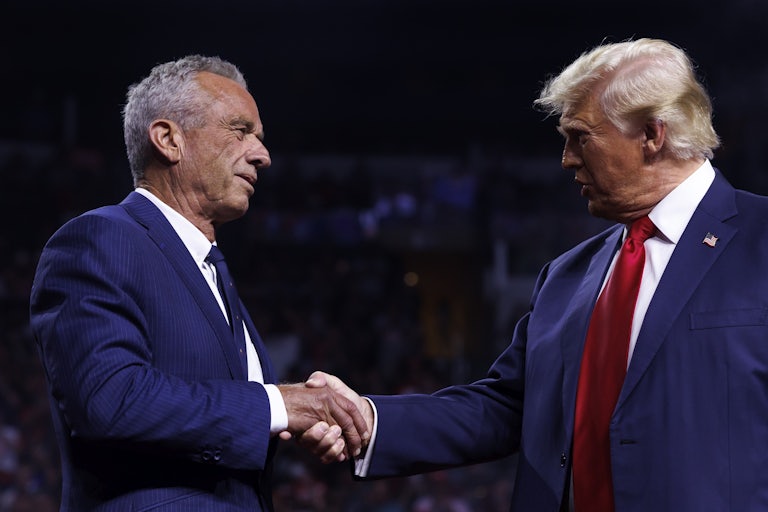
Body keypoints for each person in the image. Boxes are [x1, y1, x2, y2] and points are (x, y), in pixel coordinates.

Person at [302, 37, 768, 511]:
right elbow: (505, 407)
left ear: (652, 134)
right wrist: (368, 418)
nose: (566, 158)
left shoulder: (761, 241)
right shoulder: (566, 276)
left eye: (581, 136)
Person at [28, 55, 368, 511]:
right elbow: (109, 399)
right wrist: (278, 406)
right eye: (240, 130)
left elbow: (220, 431)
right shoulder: (100, 238)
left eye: (260, 139)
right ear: (169, 139)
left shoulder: (212, 272)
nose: (262, 155)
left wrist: (298, 418)